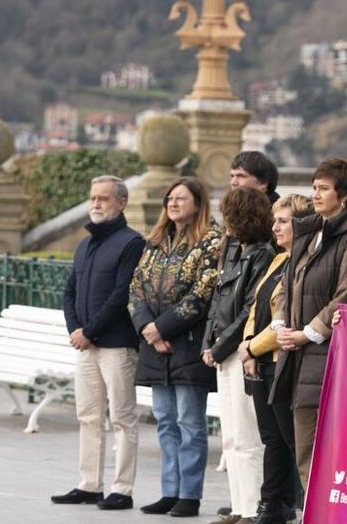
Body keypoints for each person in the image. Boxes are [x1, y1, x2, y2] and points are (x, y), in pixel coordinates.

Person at [271, 158, 347, 489]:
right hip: (296, 351)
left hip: (326, 352)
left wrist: (307, 333)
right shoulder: (309, 232)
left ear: (343, 195)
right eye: (314, 187)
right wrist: (282, 325)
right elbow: (289, 283)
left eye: (324, 188)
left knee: (318, 449)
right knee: (302, 447)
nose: (315, 194)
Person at [128, 177, 224, 517]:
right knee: (165, 420)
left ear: (198, 203)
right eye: (170, 198)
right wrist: (147, 329)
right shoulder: (155, 242)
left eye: (181, 198)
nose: (173, 203)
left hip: (187, 343)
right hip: (156, 345)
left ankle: (189, 494)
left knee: (190, 422)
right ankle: (169, 490)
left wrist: (161, 327)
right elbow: (136, 288)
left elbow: (202, 294)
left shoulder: (212, 241)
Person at [52, 176, 145, 511]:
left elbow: (121, 296)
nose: (96, 204)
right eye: (93, 198)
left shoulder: (132, 242)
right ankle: (89, 484)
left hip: (117, 345)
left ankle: (122, 488)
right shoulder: (84, 244)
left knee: (122, 417)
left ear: (121, 203)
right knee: (88, 415)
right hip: (87, 346)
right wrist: (76, 329)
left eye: (103, 199)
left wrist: (89, 331)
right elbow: (69, 293)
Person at [203, 187, 276, 524]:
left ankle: (252, 506)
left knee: (246, 433)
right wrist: (209, 343)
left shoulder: (261, 253)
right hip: (222, 350)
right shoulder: (233, 251)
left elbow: (249, 307)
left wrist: (220, 346)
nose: (225, 221)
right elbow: (218, 302)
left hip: (239, 349)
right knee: (230, 434)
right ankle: (237, 504)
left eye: (230, 213)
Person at [239, 194, 313, 524]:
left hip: (281, 359)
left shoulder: (301, 261)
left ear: (301, 225)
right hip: (261, 358)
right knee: (271, 438)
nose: (275, 227)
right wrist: (247, 344)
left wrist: (253, 347)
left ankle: (294, 505)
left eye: (282, 221)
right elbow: (258, 306)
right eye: (275, 220)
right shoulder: (278, 259)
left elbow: (282, 318)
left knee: (288, 438)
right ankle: (272, 504)